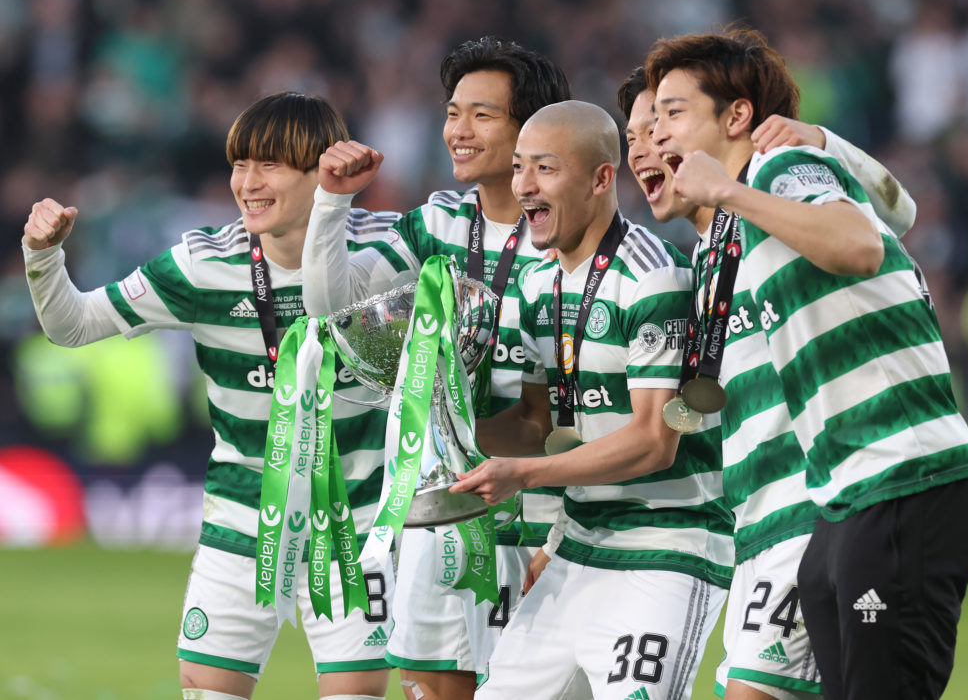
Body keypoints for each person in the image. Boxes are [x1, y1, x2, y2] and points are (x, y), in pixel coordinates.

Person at [646, 28, 968, 700]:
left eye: (673, 112)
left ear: (737, 117)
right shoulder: (734, 234)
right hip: (842, 499)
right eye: (653, 117)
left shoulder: (775, 173)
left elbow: (859, 244)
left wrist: (744, 184)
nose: (657, 133)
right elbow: (896, 212)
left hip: (902, 473)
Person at [23, 92, 394, 700]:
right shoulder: (202, 264)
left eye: (269, 165)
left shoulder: (386, 252)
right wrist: (44, 257)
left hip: (353, 525)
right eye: (238, 164)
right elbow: (74, 325)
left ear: (323, 169)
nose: (246, 183)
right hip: (244, 520)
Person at [302, 37, 572, 700]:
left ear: (531, 131)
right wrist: (330, 206)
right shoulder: (438, 222)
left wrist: (561, 536)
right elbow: (331, 310)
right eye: (453, 112)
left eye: (482, 115)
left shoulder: (572, 237)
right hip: (443, 512)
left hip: (544, 512)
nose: (458, 130)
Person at [449, 99, 733, 700]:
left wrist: (525, 475)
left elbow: (654, 442)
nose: (523, 185)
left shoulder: (654, 277)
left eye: (545, 169)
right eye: (520, 167)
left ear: (602, 178)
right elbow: (535, 423)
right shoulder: (534, 282)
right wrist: (438, 427)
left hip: (666, 546)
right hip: (578, 546)